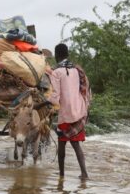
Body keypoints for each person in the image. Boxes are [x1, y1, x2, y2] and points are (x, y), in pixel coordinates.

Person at [38, 43, 91, 179]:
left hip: (66, 113)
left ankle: (62, 175)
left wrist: (42, 104)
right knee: (74, 144)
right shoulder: (77, 70)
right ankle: (83, 173)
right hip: (79, 110)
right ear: (67, 54)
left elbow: (55, 96)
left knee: (65, 143)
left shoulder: (56, 72)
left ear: (57, 55)